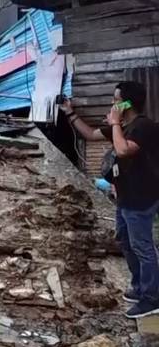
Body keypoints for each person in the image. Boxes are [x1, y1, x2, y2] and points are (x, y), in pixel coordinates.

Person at [61, 81, 159, 318]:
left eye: (116, 100)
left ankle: (152, 298)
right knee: (125, 241)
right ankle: (139, 287)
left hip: (141, 198)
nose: (112, 104)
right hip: (125, 196)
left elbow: (124, 150)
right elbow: (90, 134)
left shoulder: (143, 126)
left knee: (143, 248)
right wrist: (70, 112)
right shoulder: (122, 126)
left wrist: (115, 123)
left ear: (126, 103)